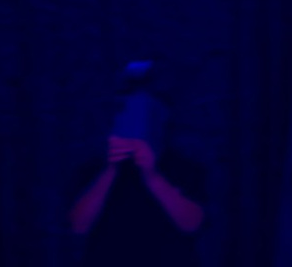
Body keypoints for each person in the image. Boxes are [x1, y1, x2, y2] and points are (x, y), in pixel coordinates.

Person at [69, 67, 205, 250]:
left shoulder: (184, 167)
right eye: (126, 112)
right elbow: (78, 226)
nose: (134, 122)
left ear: (162, 118)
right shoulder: (95, 167)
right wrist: (110, 171)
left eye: (143, 113)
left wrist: (152, 176)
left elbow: (192, 225)